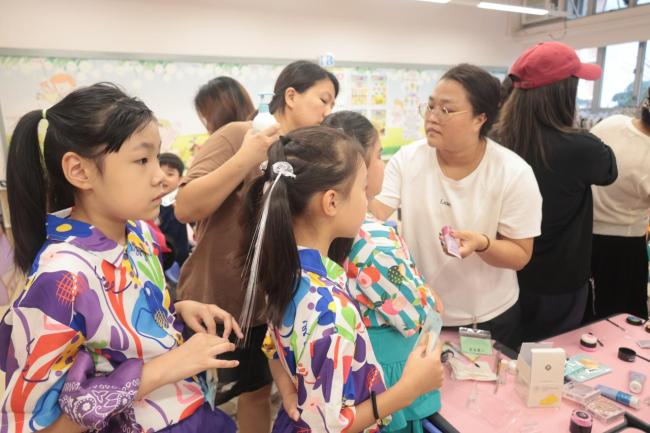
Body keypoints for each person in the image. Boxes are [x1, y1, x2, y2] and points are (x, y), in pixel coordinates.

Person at [1, 83, 242, 433]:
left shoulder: (138, 234)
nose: (160, 177)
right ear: (80, 171)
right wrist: (164, 368)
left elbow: (115, 331)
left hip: (191, 412)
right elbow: (42, 426)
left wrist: (176, 311)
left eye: (158, 158)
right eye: (142, 160)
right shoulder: (62, 276)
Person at [240, 126, 444, 433]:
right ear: (332, 202)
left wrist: (289, 391)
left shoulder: (287, 272)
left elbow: (272, 346)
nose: (367, 200)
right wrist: (409, 389)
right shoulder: (330, 308)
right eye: (363, 189)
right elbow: (331, 426)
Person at [174, 60, 338, 433]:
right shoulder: (239, 134)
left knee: (257, 392)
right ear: (291, 96)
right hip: (213, 302)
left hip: (268, 305)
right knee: (196, 400)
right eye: (323, 99)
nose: (327, 111)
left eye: (332, 104)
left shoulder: (305, 154)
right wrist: (247, 157)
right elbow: (185, 207)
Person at [370, 64, 543, 351]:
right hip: (421, 312)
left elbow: (520, 255)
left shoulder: (513, 172)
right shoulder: (408, 159)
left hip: (488, 318)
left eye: (446, 110)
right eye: (430, 106)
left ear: (480, 118)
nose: (432, 117)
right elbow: (375, 213)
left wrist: (483, 244)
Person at [324, 111, 444, 433]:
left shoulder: (323, 231)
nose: (384, 164)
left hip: (348, 372)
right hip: (390, 378)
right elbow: (415, 314)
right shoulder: (373, 243)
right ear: (359, 166)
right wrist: (428, 296)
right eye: (379, 155)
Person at [494, 42, 618, 340]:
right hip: (559, 285)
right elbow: (610, 171)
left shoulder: (492, 140)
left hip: (500, 274)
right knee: (550, 360)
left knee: (503, 357)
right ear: (565, 94)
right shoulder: (582, 148)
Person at [587, 87, 650, 321]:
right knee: (621, 321)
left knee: (586, 315)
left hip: (580, 234)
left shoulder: (611, 124)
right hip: (624, 246)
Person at [158, 152, 190, 268]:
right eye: (159, 172)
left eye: (170, 174)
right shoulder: (147, 202)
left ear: (180, 179)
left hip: (177, 260)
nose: (163, 177)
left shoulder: (182, 201)